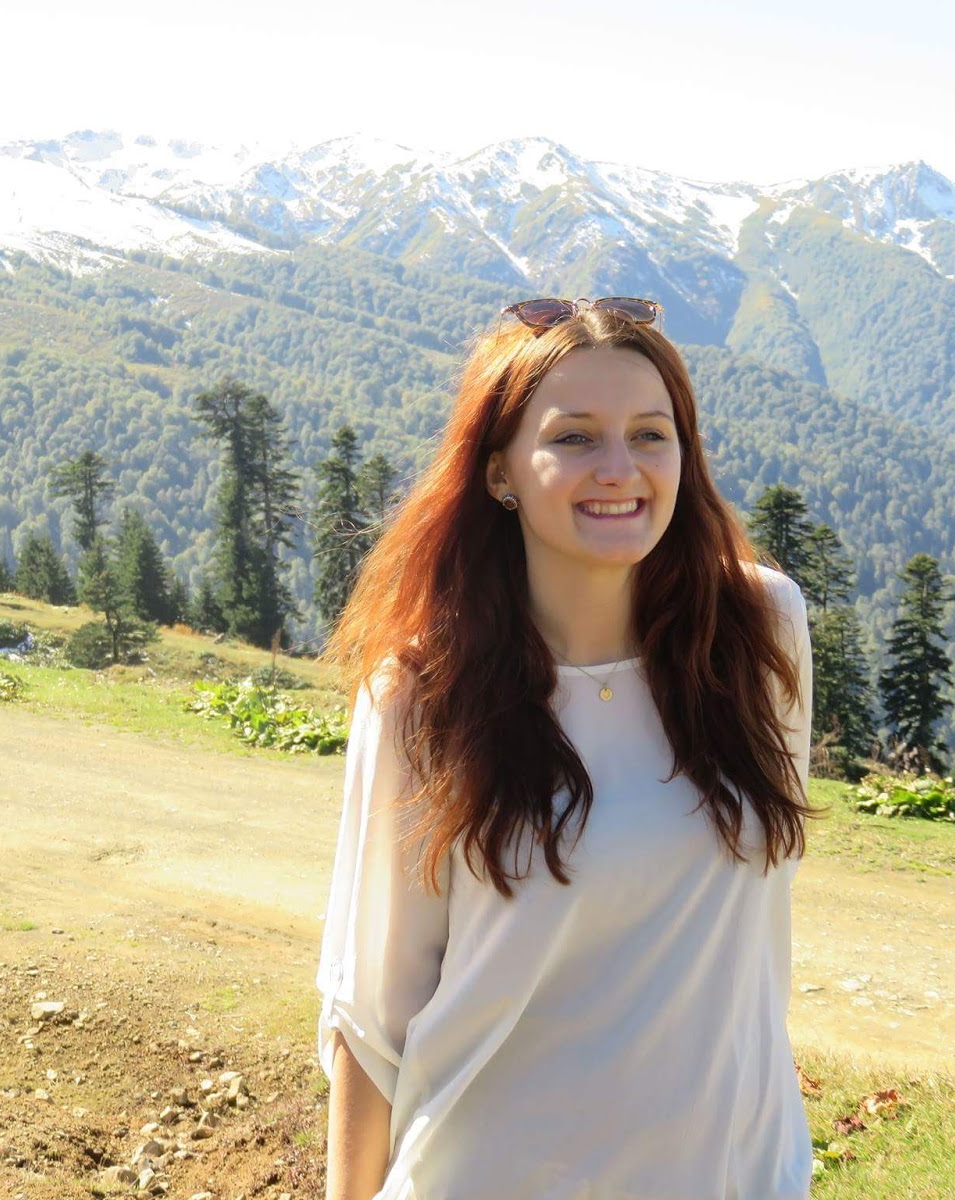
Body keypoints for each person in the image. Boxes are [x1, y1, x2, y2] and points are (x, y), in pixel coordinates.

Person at [315, 296, 822, 1200]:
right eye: (575, 438)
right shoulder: (424, 695)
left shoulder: (760, 635)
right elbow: (373, 1008)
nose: (620, 469)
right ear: (500, 471)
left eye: (651, 434)